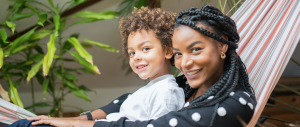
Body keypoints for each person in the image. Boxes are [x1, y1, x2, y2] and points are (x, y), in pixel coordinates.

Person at [12, 5, 256, 127]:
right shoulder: (186, 84)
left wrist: (82, 124)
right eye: (179, 54)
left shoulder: (237, 102)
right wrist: (74, 120)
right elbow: (123, 102)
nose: (184, 63)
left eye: (196, 50)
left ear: (223, 46)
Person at [7, 7, 185, 127]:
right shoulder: (149, 89)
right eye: (131, 53)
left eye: (145, 49)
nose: (136, 57)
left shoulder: (166, 92)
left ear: (168, 50)